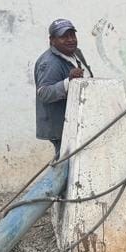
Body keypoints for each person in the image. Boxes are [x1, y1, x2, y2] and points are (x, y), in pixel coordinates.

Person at [34, 18, 92, 159]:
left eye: (72, 35)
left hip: (77, 122)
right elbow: (44, 93)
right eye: (64, 37)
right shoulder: (49, 62)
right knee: (65, 164)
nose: (70, 40)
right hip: (61, 125)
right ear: (52, 40)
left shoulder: (75, 53)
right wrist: (68, 82)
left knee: (76, 164)